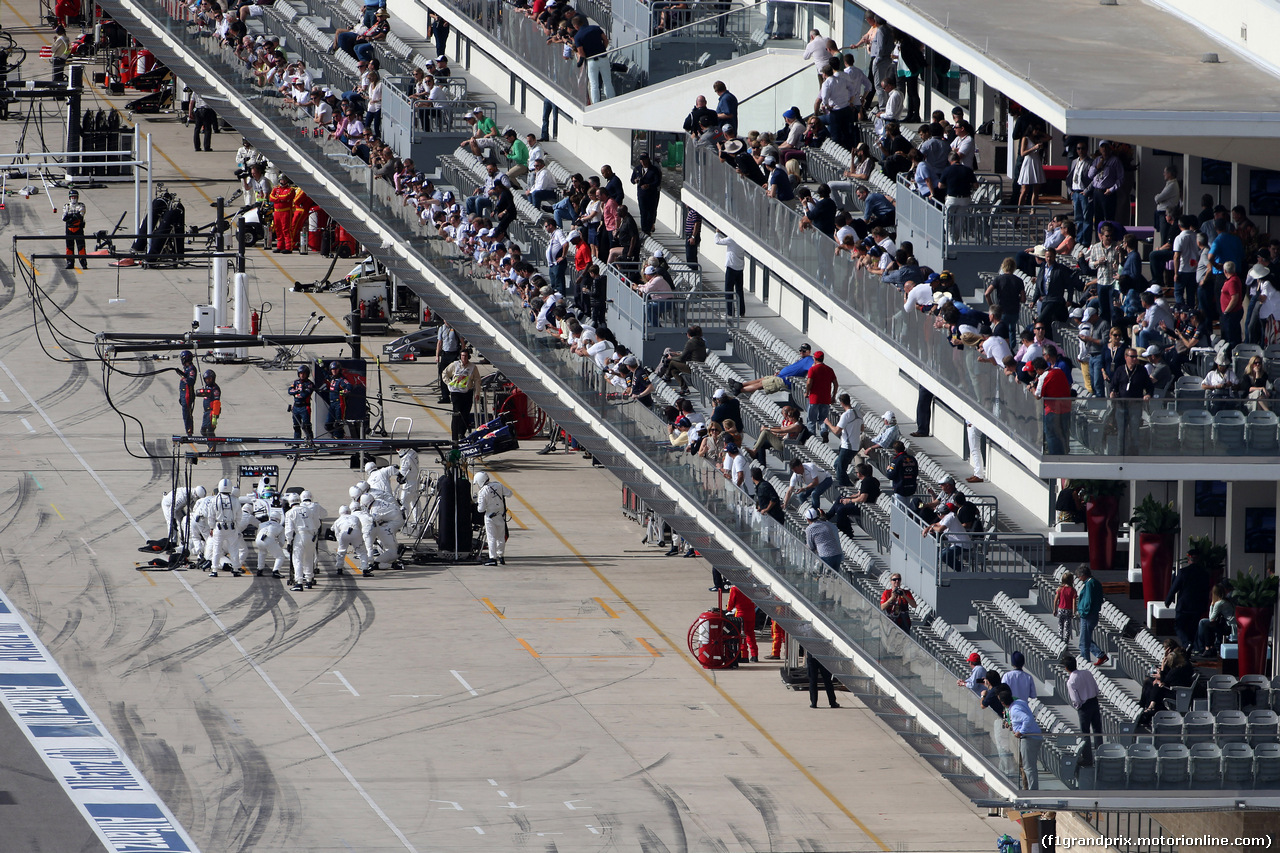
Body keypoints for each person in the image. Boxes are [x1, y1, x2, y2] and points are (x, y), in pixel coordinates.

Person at [1165, 547, 1211, 653]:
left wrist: (1168, 600)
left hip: (1184, 605)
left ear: (1189, 559)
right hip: (1197, 606)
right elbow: (1206, 590)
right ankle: (1190, 647)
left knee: (1179, 626)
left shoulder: (1183, 572)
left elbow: (1174, 587)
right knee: (1192, 628)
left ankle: (1187, 644)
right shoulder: (1205, 573)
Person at [999, 685, 1042, 790]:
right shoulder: (1020, 702)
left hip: (1029, 738)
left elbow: (1027, 719)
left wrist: (1021, 731)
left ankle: (1033, 791)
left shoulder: (1014, 710)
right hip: (1034, 736)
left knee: (1028, 767)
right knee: (1030, 766)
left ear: (1003, 703)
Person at [203, 478, 243, 577]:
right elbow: (239, 515)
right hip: (231, 527)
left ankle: (214, 569)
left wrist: (211, 527)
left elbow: (211, 515)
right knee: (234, 549)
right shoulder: (235, 500)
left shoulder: (214, 500)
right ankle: (236, 569)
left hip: (218, 527)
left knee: (216, 549)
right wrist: (236, 526)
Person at [472, 471, 511, 566]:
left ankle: (492, 558)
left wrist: (477, 501)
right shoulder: (499, 485)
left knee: (491, 538)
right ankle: (501, 556)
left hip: (490, 517)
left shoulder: (482, 492)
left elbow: (480, 510)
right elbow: (509, 493)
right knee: (501, 537)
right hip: (501, 516)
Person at [284, 492, 321, 590]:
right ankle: (309, 581)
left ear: (290, 502)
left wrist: (288, 541)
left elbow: (289, 529)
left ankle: (299, 582)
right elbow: (317, 523)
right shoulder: (308, 510)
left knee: (297, 559)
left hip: (300, 536)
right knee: (309, 559)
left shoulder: (290, 513)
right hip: (311, 536)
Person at [831, 464, 879, 538]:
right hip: (862, 505)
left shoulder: (866, 482)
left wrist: (849, 501)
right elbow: (859, 494)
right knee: (839, 499)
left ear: (860, 474)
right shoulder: (871, 480)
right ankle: (828, 516)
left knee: (841, 509)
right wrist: (848, 498)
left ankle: (845, 531)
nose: (856, 474)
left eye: (856, 472)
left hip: (864, 507)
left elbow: (862, 498)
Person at [443, 348, 480, 442]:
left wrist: (477, 393)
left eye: (466, 356)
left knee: (465, 414)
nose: (464, 358)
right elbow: (444, 373)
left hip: (467, 393)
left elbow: (477, 380)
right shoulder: (454, 365)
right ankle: (454, 436)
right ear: (460, 356)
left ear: (469, 357)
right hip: (456, 393)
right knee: (456, 414)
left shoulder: (472, 367)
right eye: (462, 356)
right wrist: (449, 383)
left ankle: (461, 433)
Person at [825, 394, 862, 486]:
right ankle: (849, 483)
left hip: (847, 446)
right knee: (837, 465)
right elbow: (862, 428)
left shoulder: (846, 415)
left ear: (841, 403)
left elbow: (836, 431)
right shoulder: (858, 412)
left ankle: (847, 487)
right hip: (855, 445)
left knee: (840, 470)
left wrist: (828, 423)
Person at [804, 350, 839, 442]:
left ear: (815, 359)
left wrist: (807, 392)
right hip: (826, 399)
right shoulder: (829, 369)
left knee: (811, 419)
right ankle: (824, 431)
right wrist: (833, 396)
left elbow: (809, 382)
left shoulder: (812, 369)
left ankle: (811, 438)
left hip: (814, 398)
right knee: (823, 418)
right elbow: (836, 383)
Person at [1077, 566, 1108, 666]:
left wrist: (1083, 612)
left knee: (1083, 642)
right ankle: (1100, 654)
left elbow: (1088, 600)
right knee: (1086, 638)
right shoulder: (1095, 582)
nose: (1078, 578)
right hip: (1093, 614)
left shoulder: (1090, 584)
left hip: (1088, 615)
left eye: (1079, 576)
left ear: (1083, 575)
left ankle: (1085, 663)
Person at [1197, 583, 1235, 659]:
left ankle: (1206, 648)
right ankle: (1210, 647)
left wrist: (1211, 605)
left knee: (1206, 624)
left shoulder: (1219, 603)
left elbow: (1211, 618)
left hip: (1229, 627)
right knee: (1204, 623)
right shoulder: (1227, 601)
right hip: (1230, 625)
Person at [725, 584, 758, 662]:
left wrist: (728, 609)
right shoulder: (750, 587)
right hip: (751, 613)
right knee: (751, 634)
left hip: (741, 614)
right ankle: (755, 655)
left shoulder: (735, 589)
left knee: (741, 636)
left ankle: (744, 656)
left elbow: (731, 603)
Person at [253, 506, 288, 578]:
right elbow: (281, 542)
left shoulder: (262, 524)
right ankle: (276, 571)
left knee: (262, 553)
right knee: (280, 556)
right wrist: (276, 548)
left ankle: (259, 569)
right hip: (269, 539)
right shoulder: (280, 527)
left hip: (259, 539)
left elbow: (258, 533)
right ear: (279, 519)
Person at [322, 362, 351, 439]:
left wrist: (345, 391)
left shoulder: (341, 380)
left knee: (338, 424)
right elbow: (326, 375)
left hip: (339, 404)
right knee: (328, 425)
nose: (334, 371)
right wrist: (321, 367)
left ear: (339, 370)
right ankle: (338, 436)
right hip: (332, 404)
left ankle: (339, 440)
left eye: (336, 369)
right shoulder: (332, 379)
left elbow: (349, 386)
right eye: (332, 369)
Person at [436, 321, 463, 403]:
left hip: (454, 354)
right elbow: (439, 343)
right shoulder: (441, 328)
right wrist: (437, 355)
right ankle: (445, 396)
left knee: (455, 376)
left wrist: (461, 355)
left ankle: (455, 395)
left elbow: (462, 342)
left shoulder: (455, 329)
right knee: (443, 375)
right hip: (445, 354)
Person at [884, 440, 918, 506]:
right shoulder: (912, 459)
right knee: (908, 508)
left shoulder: (896, 461)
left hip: (900, 488)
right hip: (911, 487)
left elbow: (891, 475)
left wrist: (888, 470)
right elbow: (916, 472)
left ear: (895, 451)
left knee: (900, 510)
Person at [287, 364, 315, 441]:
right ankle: (296, 443)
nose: (302, 375)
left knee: (307, 426)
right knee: (296, 426)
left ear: (307, 374)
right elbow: (289, 391)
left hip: (304, 407)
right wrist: (298, 391)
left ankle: (310, 442)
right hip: (295, 407)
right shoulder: (296, 382)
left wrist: (296, 392)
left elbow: (304, 395)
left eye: (304, 373)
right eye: (300, 373)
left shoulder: (309, 384)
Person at [62, 189, 88, 270]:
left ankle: (83, 262)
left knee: (81, 247)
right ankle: (70, 262)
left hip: (79, 229)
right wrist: (74, 217)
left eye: (75, 197)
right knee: (69, 247)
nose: (73, 198)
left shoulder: (81, 205)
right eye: (72, 197)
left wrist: (71, 217)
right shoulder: (66, 206)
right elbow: (64, 218)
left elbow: (80, 216)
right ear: (69, 198)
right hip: (69, 229)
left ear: (78, 197)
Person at [195, 369, 221, 438]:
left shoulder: (215, 389)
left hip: (212, 412)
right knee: (203, 430)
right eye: (206, 379)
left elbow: (216, 403)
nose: (208, 381)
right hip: (206, 412)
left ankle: (212, 445)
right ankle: (208, 441)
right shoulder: (207, 387)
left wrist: (214, 416)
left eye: (209, 379)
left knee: (209, 430)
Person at [1055, 572, 1077, 643]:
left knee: (1060, 625)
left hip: (1061, 609)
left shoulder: (1060, 589)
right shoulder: (1073, 590)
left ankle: (1060, 638)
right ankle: (1066, 641)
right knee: (1067, 626)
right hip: (1069, 610)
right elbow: (1074, 602)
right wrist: (1074, 612)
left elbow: (1055, 600)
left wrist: (1054, 609)